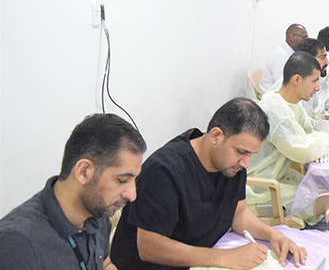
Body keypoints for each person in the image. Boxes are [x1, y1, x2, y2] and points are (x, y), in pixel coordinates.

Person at [111, 98, 307, 270]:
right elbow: (149, 248)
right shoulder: (165, 171)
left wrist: (274, 236)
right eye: (241, 152)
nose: (245, 163)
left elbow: (238, 212)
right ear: (216, 136)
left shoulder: (232, 165)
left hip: (200, 259)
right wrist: (225, 257)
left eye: (251, 154)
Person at [0, 113, 146, 270]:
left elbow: (105, 264)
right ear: (84, 172)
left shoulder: (98, 211)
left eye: (134, 180)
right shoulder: (17, 245)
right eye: (123, 180)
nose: (132, 195)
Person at [247, 52, 329, 221]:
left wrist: (320, 138)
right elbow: (303, 150)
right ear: (296, 79)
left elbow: (309, 133)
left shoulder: (292, 105)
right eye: (314, 81)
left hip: (278, 177)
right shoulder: (275, 109)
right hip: (259, 188)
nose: (317, 88)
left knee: (325, 190)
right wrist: (326, 138)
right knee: (322, 201)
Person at [268, 37, 329, 120]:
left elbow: (313, 115)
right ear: (308, 59)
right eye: (323, 57)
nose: (327, 62)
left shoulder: (309, 86)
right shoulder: (286, 92)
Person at [259, 23, 308, 92]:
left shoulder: (291, 53)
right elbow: (281, 83)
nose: (306, 41)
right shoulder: (281, 55)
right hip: (272, 94)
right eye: (304, 37)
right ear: (292, 38)